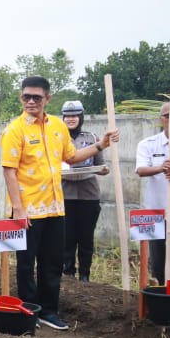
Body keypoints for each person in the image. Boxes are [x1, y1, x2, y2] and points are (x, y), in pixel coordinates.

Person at [1, 77, 118, 330]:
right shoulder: (15, 129)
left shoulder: (57, 126)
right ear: (21, 98)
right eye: (26, 97)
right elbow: (9, 170)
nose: (31, 101)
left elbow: (72, 156)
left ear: (47, 99)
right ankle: (28, 308)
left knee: (52, 262)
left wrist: (100, 145)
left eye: (37, 97)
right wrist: (18, 210)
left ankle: (49, 310)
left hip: (55, 207)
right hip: (28, 209)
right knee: (26, 263)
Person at [135, 101, 170, 283]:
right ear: (161, 119)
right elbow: (141, 170)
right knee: (159, 262)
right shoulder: (148, 144)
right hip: (156, 211)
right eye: (168, 115)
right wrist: (160, 168)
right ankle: (161, 299)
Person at [60, 101, 108, 283]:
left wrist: (103, 170)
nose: (71, 119)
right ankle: (68, 272)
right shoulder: (57, 138)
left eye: (74, 115)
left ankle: (85, 274)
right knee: (67, 236)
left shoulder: (92, 138)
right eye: (67, 116)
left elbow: (99, 164)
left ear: (81, 117)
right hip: (65, 194)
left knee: (86, 237)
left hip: (89, 194)